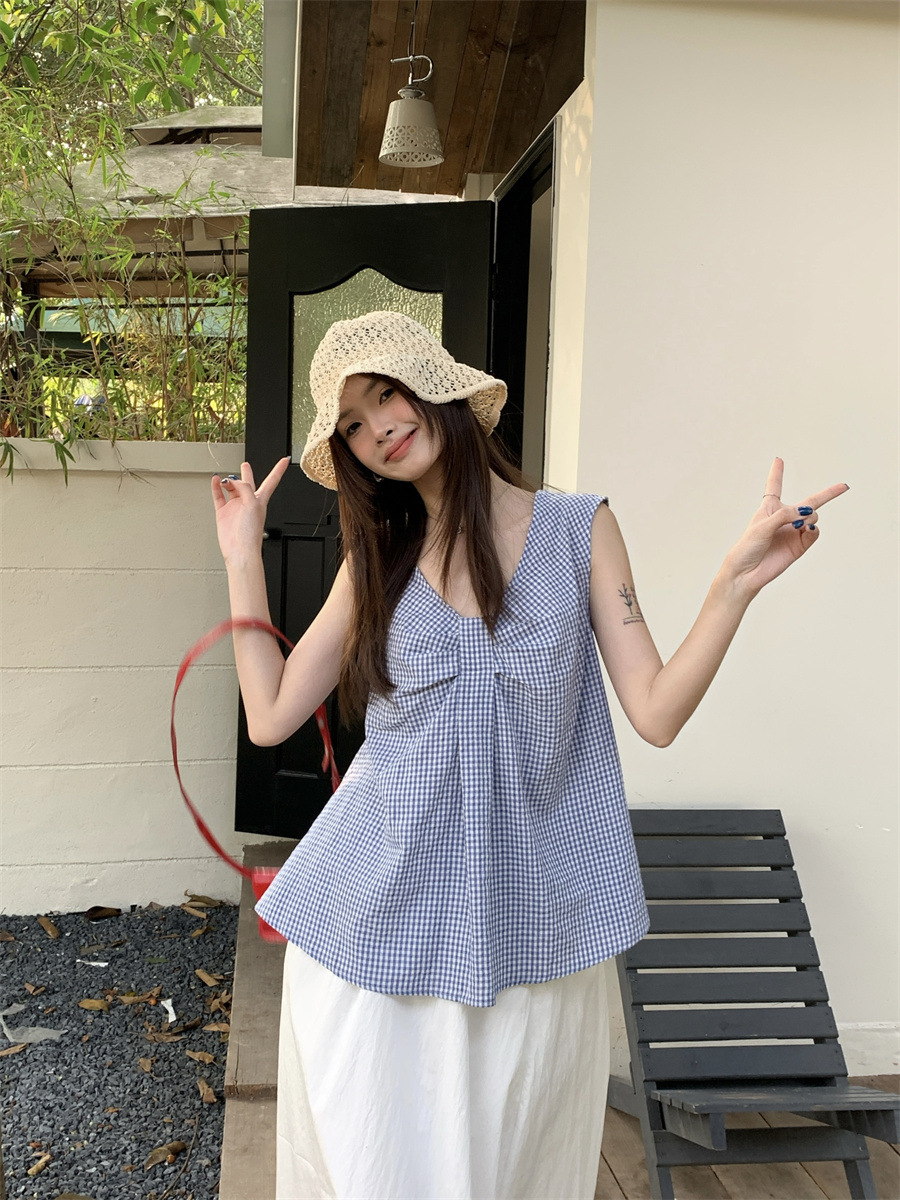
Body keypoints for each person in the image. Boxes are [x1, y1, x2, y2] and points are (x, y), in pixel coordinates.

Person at [211, 310, 848, 1200]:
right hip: (375, 930)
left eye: (386, 394)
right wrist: (242, 557)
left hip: (534, 929)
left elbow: (656, 712)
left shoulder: (580, 529)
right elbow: (271, 714)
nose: (377, 429)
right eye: (351, 424)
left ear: (435, 385)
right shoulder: (378, 556)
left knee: (519, 1174)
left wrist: (731, 588)